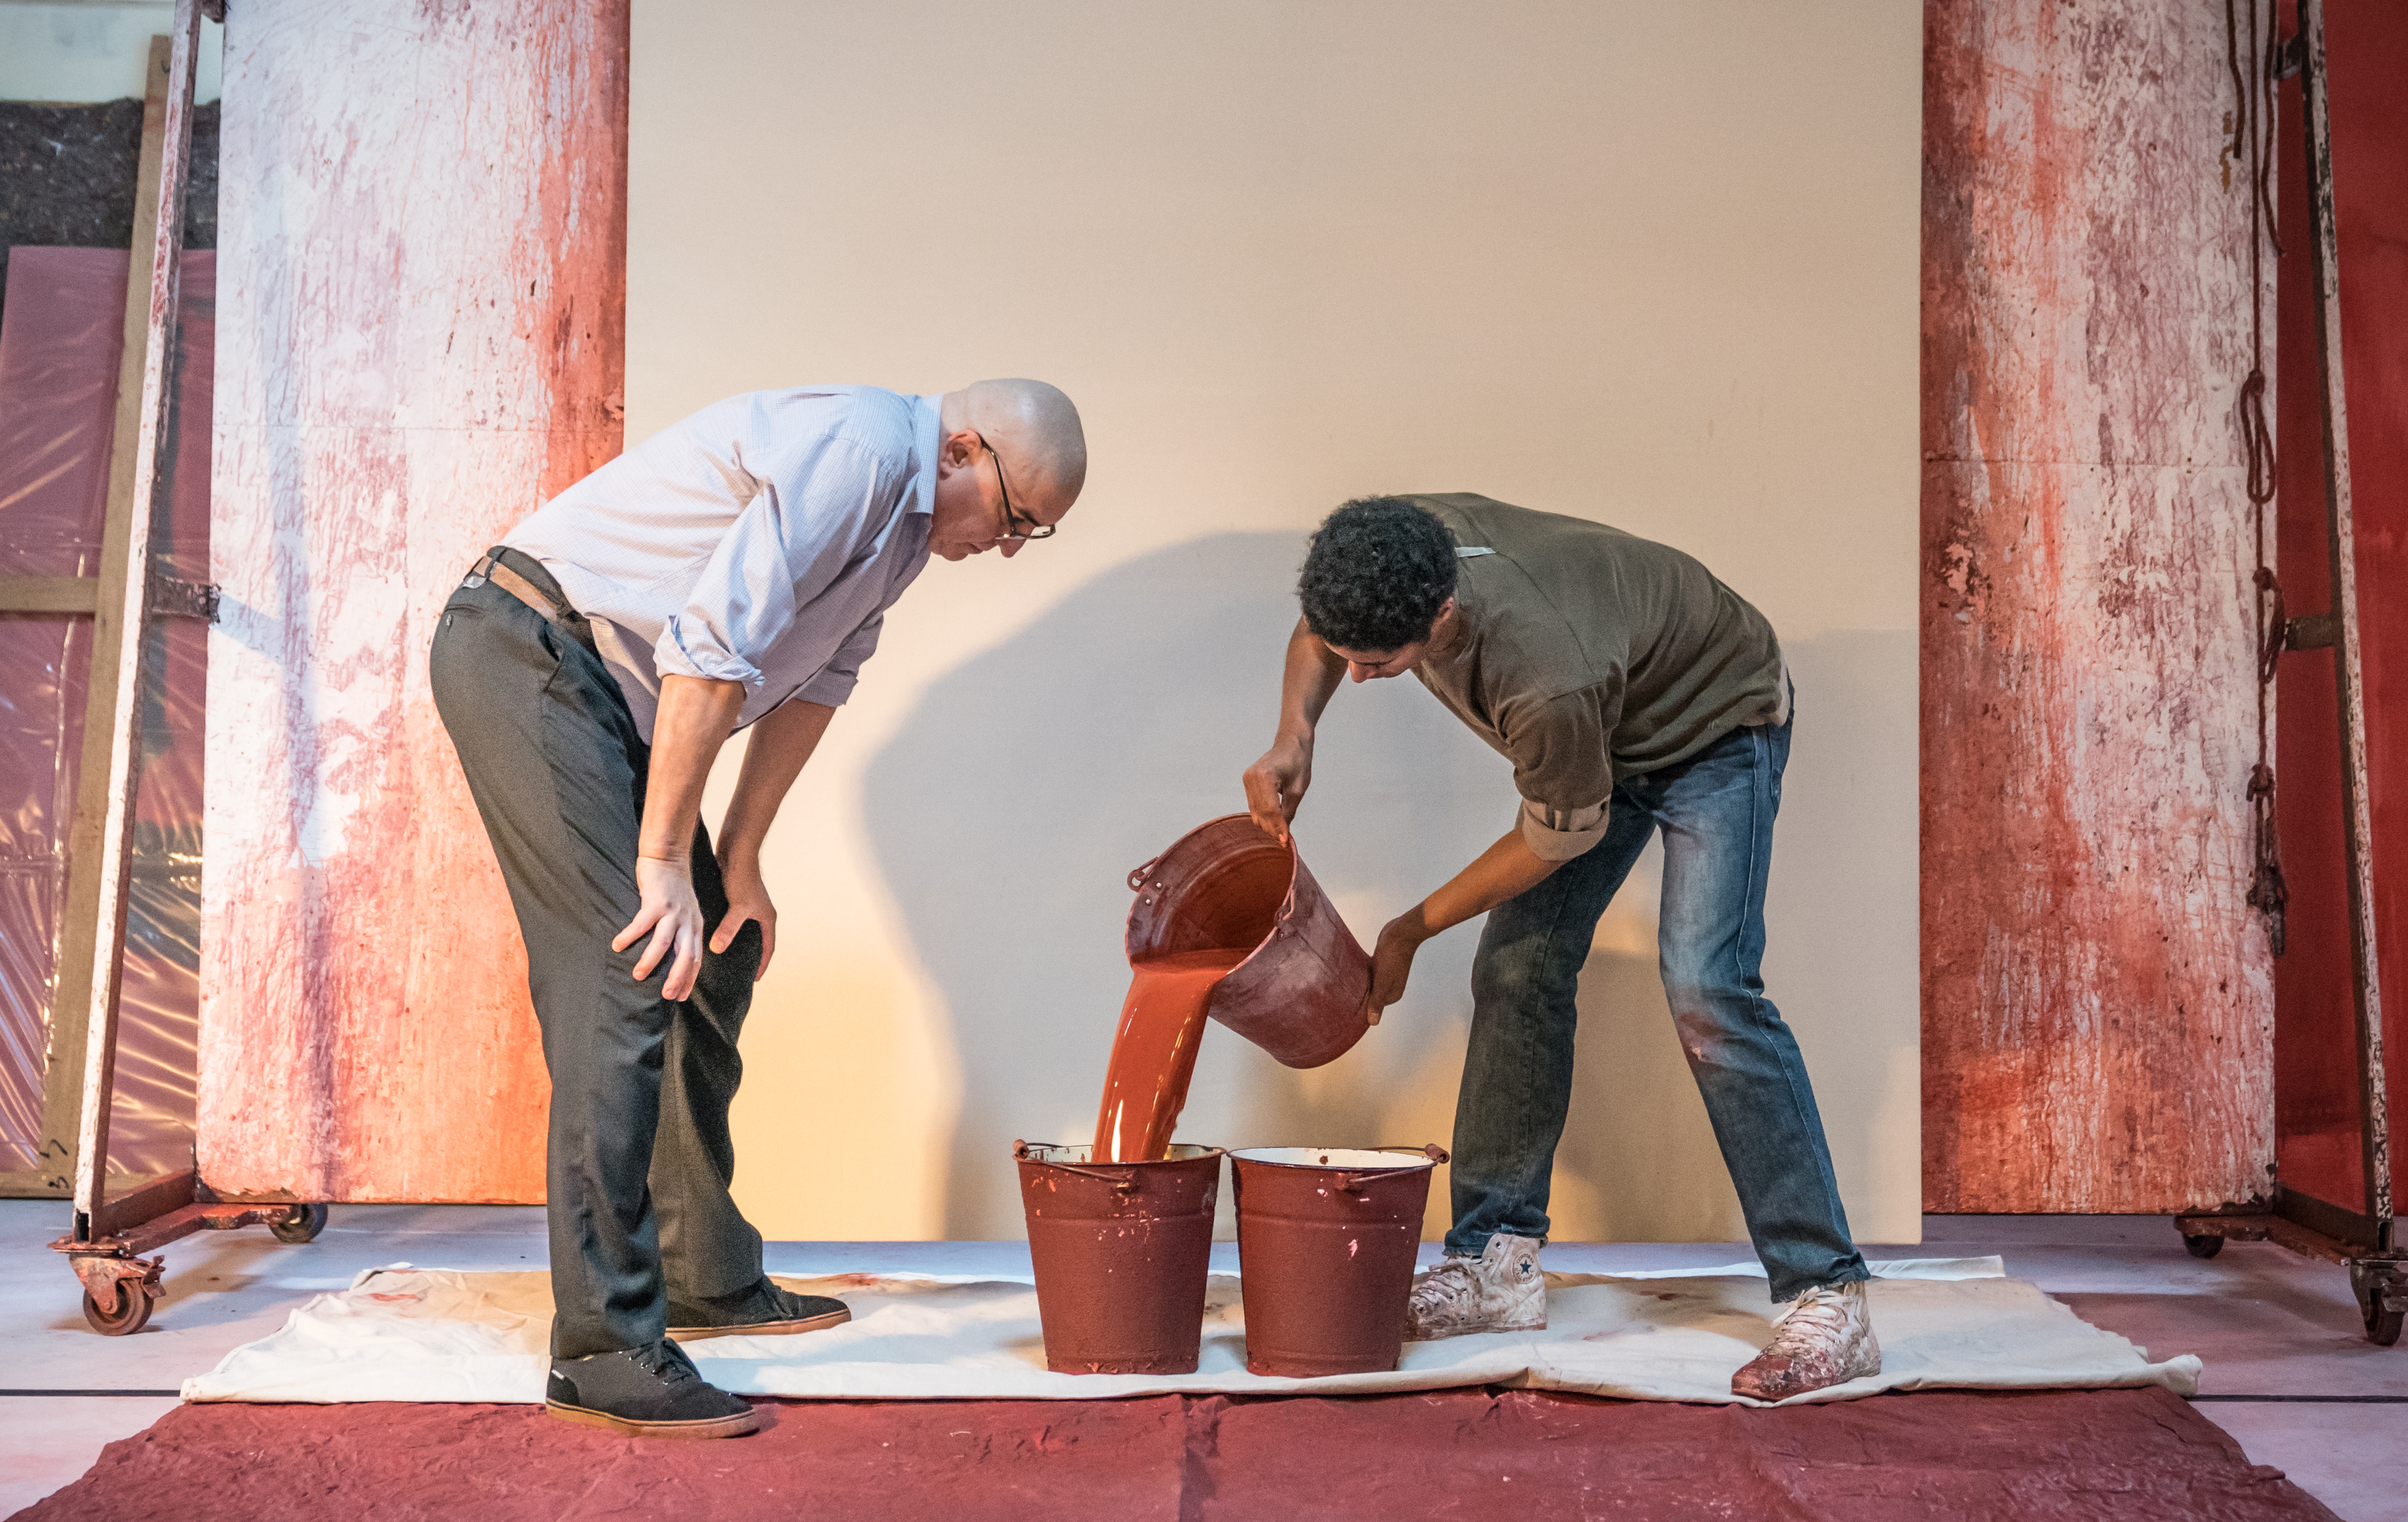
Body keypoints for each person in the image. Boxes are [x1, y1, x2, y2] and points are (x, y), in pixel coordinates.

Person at [431, 379, 1086, 1437]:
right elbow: (706, 644)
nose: (1008, 546)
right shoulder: (863, 452)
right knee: (628, 963)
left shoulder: (905, 532)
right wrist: (658, 864)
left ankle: (702, 1272)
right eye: (1015, 518)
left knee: (717, 949)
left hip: (616, 699)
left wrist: (735, 861)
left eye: (1032, 534)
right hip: (529, 651)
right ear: (963, 450)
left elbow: (819, 682)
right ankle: (602, 1346)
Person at [1241, 493, 1877, 1400]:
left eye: (1376, 662)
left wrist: (1408, 928)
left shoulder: (1541, 673)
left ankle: (1828, 1290)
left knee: (1707, 988)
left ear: (1443, 613)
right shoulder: (1392, 545)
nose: (1361, 673)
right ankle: (1496, 1264)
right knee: (1514, 967)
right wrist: (1295, 732)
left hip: (1713, 724)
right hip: (1607, 720)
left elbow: (1559, 835)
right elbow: (1320, 628)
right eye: (1349, 656)